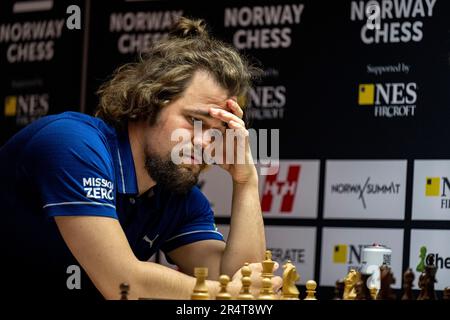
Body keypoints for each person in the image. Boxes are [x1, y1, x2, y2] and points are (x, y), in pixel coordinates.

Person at [0, 17, 281, 300]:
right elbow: (122, 282)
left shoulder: (179, 196)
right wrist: (226, 293)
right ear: (149, 102)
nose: (203, 141)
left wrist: (245, 181)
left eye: (217, 132)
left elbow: (244, 286)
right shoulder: (72, 143)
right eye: (194, 120)